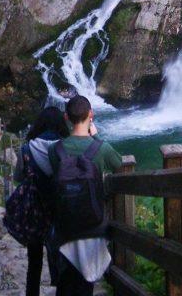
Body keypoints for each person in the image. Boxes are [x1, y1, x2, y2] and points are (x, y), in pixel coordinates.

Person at [50, 95, 122, 296]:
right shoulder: (102, 149)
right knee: (86, 282)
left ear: (66, 117)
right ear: (91, 114)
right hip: (93, 225)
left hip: (65, 227)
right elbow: (120, 167)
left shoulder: (54, 150)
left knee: (66, 281)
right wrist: (96, 138)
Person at [14, 106, 69, 296]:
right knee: (62, 258)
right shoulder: (66, 148)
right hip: (59, 210)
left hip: (34, 210)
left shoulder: (26, 149)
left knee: (34, 262)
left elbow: (18, 176)